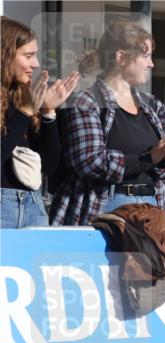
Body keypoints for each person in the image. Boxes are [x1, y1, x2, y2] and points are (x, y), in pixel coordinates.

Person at [50, 18, 165, 226]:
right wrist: (149, 157)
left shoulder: (153, 105)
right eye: (146, 56)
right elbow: (90, 162)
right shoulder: (86, 102)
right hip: (107, 206)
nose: (151, 64)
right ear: (121, 57)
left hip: (154, 205)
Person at [1, 17, 79, 228]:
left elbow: (48, 165)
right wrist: (26, 111)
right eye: (28, 56)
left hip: (33, 205)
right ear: (5, 55)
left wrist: (48, 112)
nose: (35, 64)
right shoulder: (23, 106)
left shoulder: (22, 98)